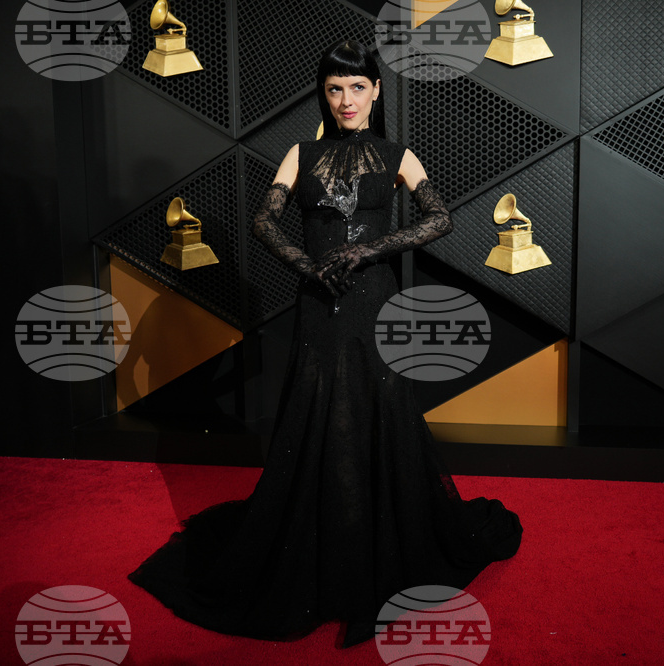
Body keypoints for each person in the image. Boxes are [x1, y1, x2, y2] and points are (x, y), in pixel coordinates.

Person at [128, 40, 523, 647]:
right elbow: (263, 221)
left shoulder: (397, 154)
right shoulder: (300, 153)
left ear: (376, 91)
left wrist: (371, 248)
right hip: (319, 303)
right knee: (317, 412)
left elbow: (440, 218)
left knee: (378, 408)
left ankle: (379, 540)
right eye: (335, 88)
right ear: (325, 92)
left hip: (373, 301)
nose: (346, 100)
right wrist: (307, 267)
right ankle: (318, 542)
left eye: (357, 87)